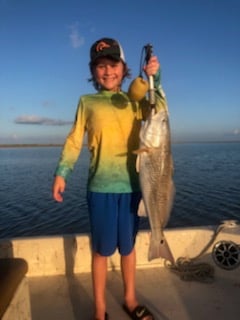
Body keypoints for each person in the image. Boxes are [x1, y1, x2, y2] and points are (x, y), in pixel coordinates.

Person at [52, 37, 167, 320]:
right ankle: (100, 309)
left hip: (132, 187)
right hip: (101, 188)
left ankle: (130, 298)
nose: (107, 71)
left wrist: (156, 79)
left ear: (124, 68)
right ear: (93, 71)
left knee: (127, 248)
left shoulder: (135, 101)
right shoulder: (87, 102)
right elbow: (74, 139)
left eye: (113, 64)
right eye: (100, 66)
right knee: (102, 252)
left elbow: (159, 110)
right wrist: (62, 172)